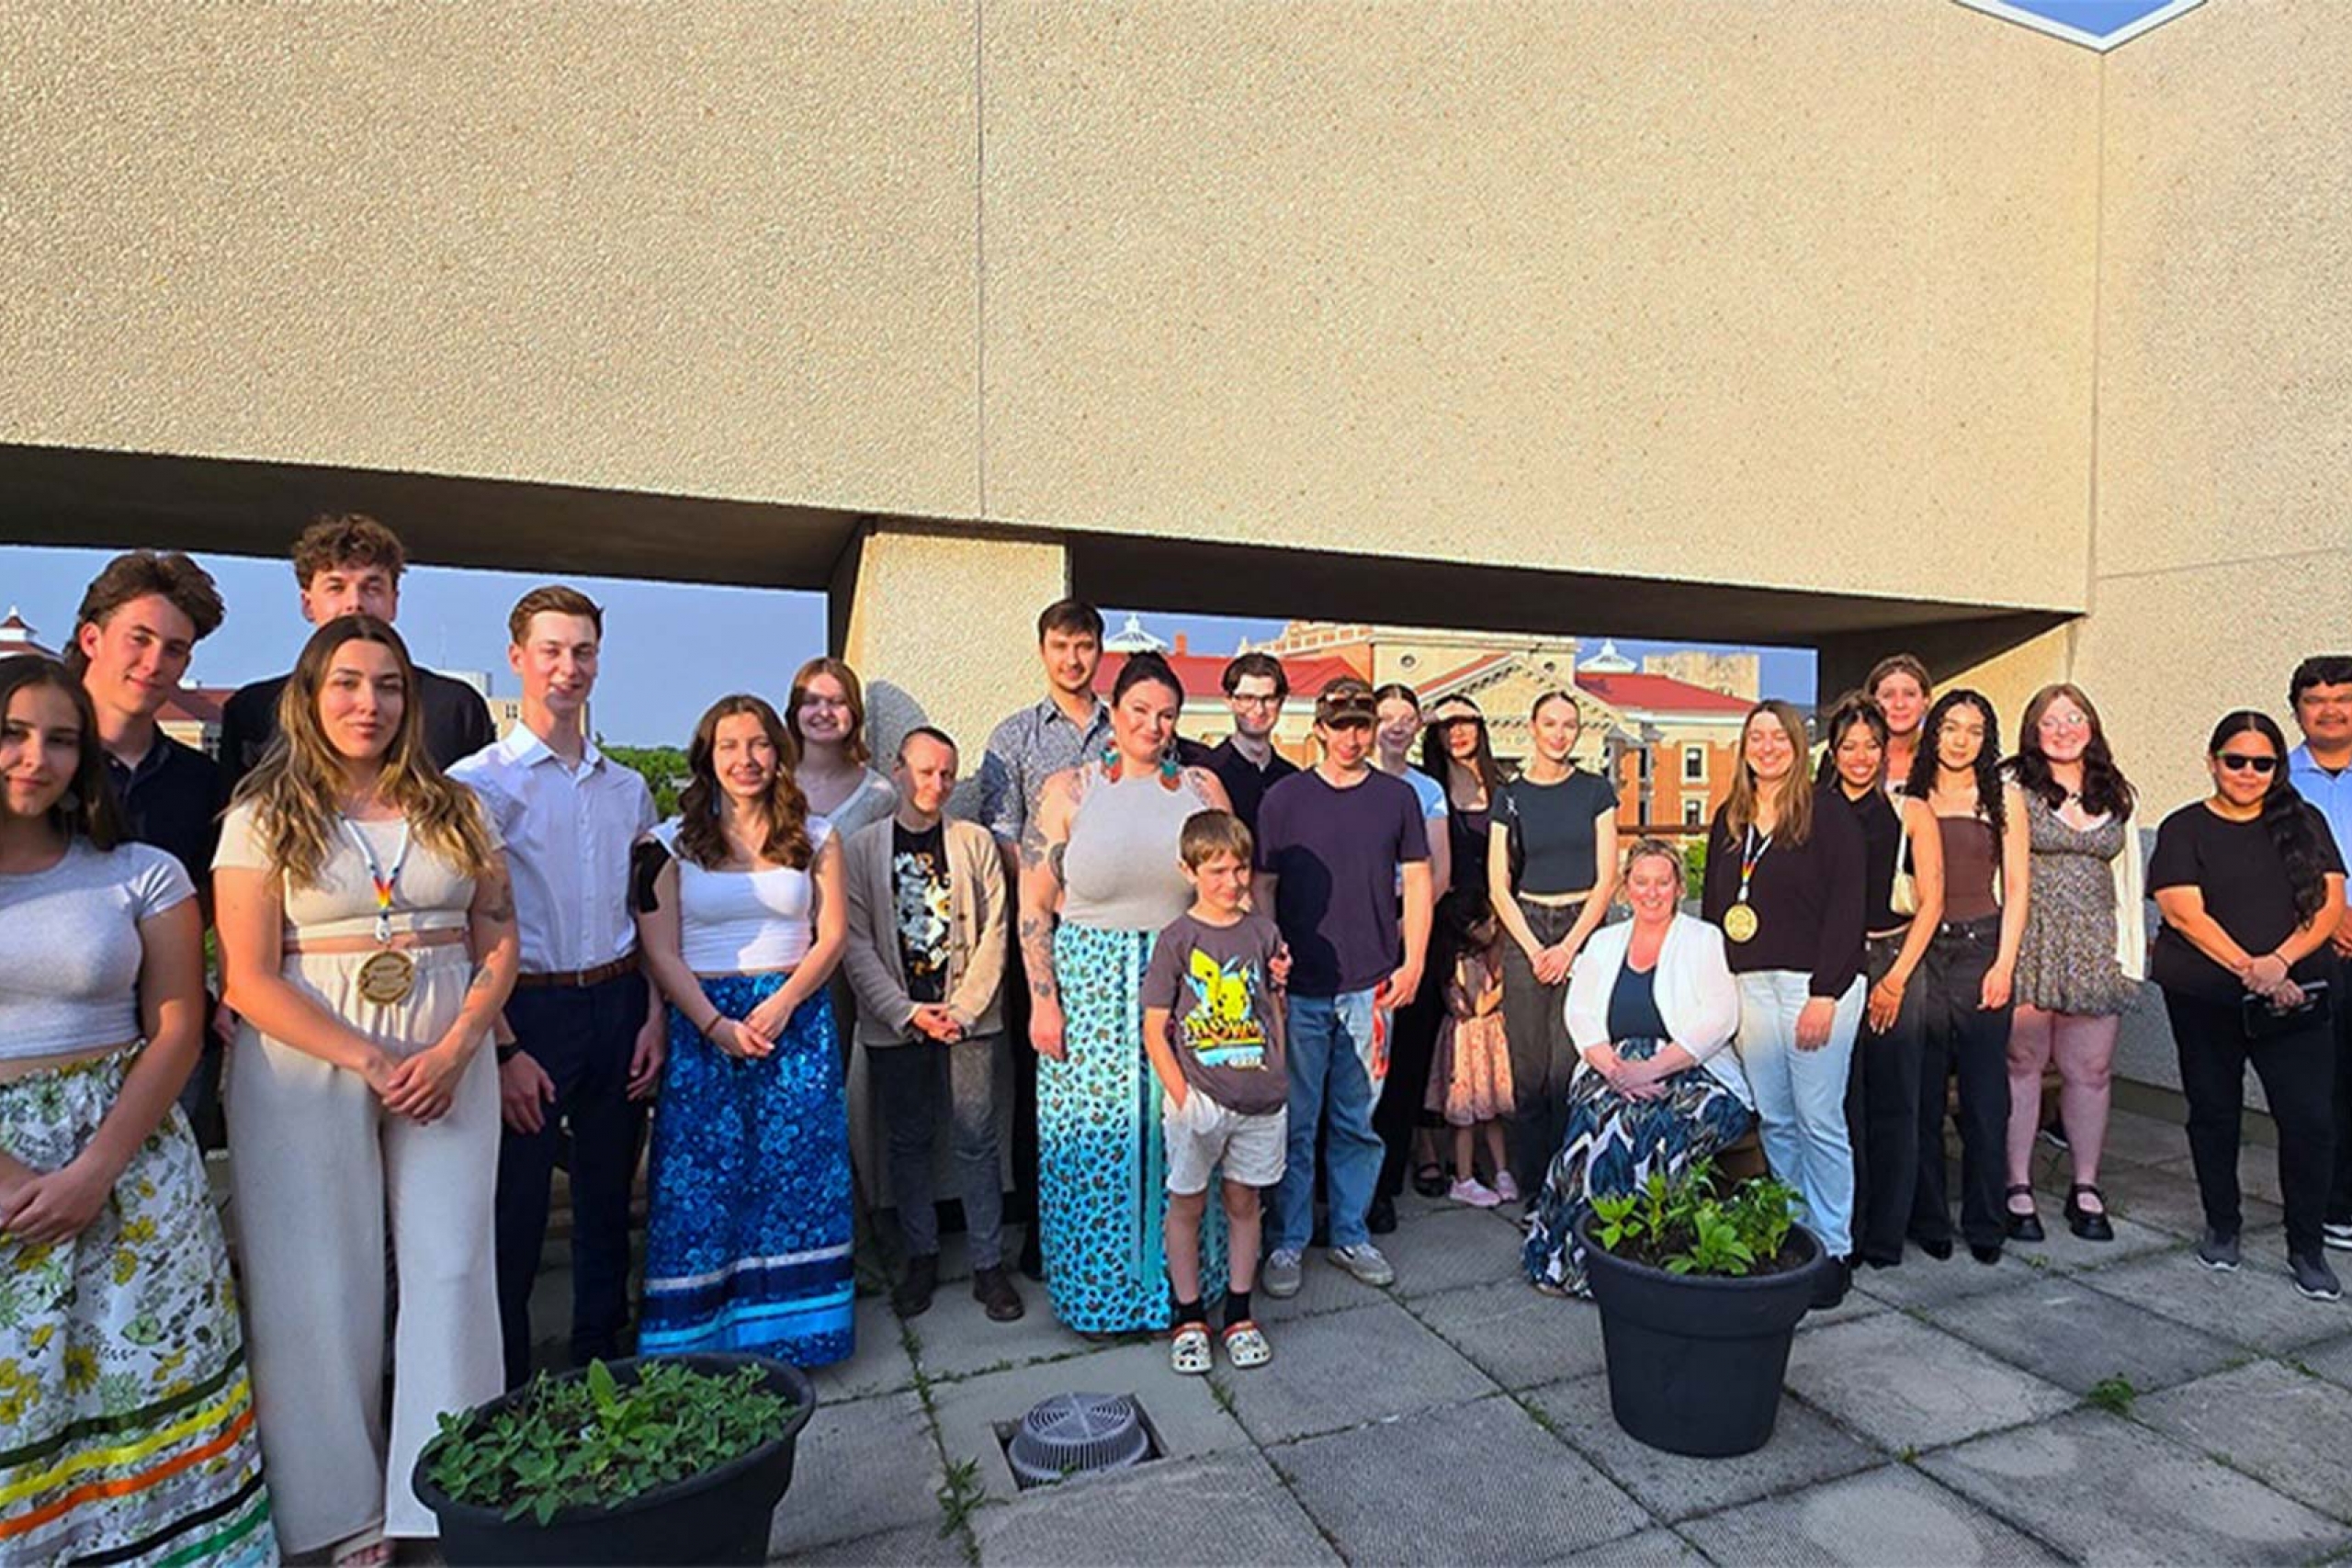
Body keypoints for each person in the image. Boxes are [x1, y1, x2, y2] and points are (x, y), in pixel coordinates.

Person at [215, 615, 515, 1560]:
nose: (368, 703)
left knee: (452, 1268)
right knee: (318, 1281)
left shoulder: (457, 808)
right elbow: (249, 976)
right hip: (308, 1057)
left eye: (387, 686)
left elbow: (499, 931)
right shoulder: (261, 816)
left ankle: (448, 1487)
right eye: (347, 683)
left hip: (446, 1050)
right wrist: (371, 1061)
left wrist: (464, 1039)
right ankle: (342, 1512)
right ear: (309, 697)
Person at [0, 659, 275, 1566]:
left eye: (61, 739)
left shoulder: (141, 872)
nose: (35, 757)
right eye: (13, 731)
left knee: (146, 1378)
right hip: (6, 1177)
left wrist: (95, 1168)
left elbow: (177, 1027)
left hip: (132, 1164)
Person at [447, 587, 662, 1388]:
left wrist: (651, 1017)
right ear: (517, 658)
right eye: (551, 650)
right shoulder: (475, 785)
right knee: (516, 1211)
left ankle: (603, 1364)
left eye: (582, 651)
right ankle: (505, 1382)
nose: (568, 667)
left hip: (614, 1000)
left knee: (610, 1199)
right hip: (525, 1010)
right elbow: (468, 921)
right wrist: (501, 1045)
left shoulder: (627, 788)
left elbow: (642, 911)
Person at [635, 694, 854, 1361]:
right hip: (706, 1025)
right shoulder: (663, 843)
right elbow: (659, 948)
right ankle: (700, 1338)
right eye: (729, 745)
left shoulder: (817, 836)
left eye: (758, 743)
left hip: (796, 1018)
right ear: (707, 755)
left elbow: (833, 932)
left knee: (799, 1178)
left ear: (777, 752)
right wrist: (713, 1024)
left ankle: (802, 1334)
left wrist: (784, 1002)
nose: (746, 759)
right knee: (706, 1182)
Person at [1020, 652, 1233, 1332]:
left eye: (1166, 713)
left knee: (1187, 1135)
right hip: (1091, 988)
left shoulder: (1201, 787)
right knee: (1099, 1145)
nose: (1153, 723)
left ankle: (1185, 1294)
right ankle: (1100, 1296)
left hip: (1187, 986)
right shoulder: (1069, 789)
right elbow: (1036, 902)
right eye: (1139, 709)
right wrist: (1043, 999)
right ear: (1114, 711)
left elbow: (1232, 883)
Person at [2150, 710, 2345, 1300]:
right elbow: (2184, 910)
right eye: (2237, 760)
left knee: (2309, 1121)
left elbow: (2330, 903)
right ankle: (2223, 1226)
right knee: (2214, 1113)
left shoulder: (2304, 821)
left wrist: (2280, 963)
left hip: (2297, 998)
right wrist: (2253, 970)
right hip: (2207, 999)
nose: (2249, 772)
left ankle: (2306, 1247)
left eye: (2264, 763)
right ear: (2213, 762)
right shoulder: (2184, 827)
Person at [1255, 677, 1431, 1298]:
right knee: (1297, 1120)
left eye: (1363, 724)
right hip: (1299, 986)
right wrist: (1266, 960)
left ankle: (1351, 1231)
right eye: (1341, 725)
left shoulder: (1397, 798)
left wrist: (1413, 963)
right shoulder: (1283, 800)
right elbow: (1264, 889)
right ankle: (1288, 1239)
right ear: (1319, 729)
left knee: (1357, 1119)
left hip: (1372, 985)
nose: (1353, 736)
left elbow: (1418, 880)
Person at [842, 726, 1022, 1323]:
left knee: (977, 1139)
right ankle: (920, 1254)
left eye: (947, 773)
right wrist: (905, 1010)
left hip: (971, 1020)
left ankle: (987, 1263)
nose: (936, 784)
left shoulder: (973, 842)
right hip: (897, 1022)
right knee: (909, 1141)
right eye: (924, 771)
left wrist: (966, 1009)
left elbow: (998, 930)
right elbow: (856, 941)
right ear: (899, 769)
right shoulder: (864, 848)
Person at [1526, 837, 1751, 1295]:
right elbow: (1581, 1013)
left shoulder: (1703, 938)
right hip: (1611, 1066)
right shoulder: (1605, 943)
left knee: (1652, 1127)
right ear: (1626, 888)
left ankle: (1646, 1266)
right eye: (1641, 882)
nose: (1652, 892)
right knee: (1594, 1128)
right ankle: (1567, 1263)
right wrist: (1615, 1070)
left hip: (1695, 1070)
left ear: (1678, 885)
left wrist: (1652, 1069)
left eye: (1663, 882)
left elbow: (1720, 1015)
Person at [66, 548, 233, 1145]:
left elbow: (217, 897)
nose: (154, 662)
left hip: (171, 1032)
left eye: (175, 649)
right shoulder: (31, 767)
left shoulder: (203, 780)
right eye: (138, 639)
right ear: (92, 637)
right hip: (52, 1033)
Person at [1701, 701, 1865, 1306]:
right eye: (1756, 736)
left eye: (1778, 736)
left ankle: (1835, 1246)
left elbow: (1849, 906)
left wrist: (1825, 991)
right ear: (1744, 746)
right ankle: (1796, 1233)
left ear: (1798, 745)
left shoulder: (1829, 813)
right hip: (1750, 985)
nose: (1767, 746)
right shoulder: (1731, 816)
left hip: (1814, 986)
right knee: (1775, 1116)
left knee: (1820, 1117)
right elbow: (1716, 908)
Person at [980, 599, 1114, 1280]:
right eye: (1061, 645)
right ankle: (1040, 1227)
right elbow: (1000, 832)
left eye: (1084, 645)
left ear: (1099, 649)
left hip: (1119, 937)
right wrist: (1051, 885)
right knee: (1042, 1081)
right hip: (1044, 933)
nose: (1073, 658)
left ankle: (1115, 1214)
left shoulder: (1129, 730)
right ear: (1042, 650)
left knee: (1115, 1085)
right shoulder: (1014, 738)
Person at [1142, 809, 1287, 1375]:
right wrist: (1182, 1096)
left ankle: (1240, 1312)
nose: (1232, 882)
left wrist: (1280, 1076)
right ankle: (1188, 1315)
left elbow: (1274, 1009)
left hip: (1260, 1097)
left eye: (1241, 869)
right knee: (1187, 1204)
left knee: (1245, 1202)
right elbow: (1156, 1029)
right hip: (1199, 1097)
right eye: (1218, 871)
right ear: (1190, 870)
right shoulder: (1177, 940)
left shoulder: (1263, 932)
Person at [2006, 683, 2143, 1245]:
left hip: (2095, 948)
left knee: (2090, 1071)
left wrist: (2129, 958)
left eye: (2075, 718)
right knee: (2023, 1066)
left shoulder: (2116, 792)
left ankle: (2085, 1186)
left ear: (2092, 725)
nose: (2063, 729)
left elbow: (2130, 882)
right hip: (2030, 944)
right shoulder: (2013, 787)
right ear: (2033, 731)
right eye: (2050, 720)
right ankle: (2016, 1185)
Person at [218, 513, 495, 782]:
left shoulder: (456, 709)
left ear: (394, 601)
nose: (355, 603)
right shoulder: (255, 712)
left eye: (372, 588)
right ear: (307, 603)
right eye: (336, 588)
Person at [1905, 690, 2030, 1266]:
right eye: (1950, 727)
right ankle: (1929, 1217)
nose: (1960, 740)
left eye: (1974, 730)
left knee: (1985, 1098)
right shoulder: (1911, 795)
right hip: (1922, 952)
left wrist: (2004, 964)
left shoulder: (2003, 799)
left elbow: (2020, 890)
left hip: (1982, 947)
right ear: (1934, 732)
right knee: (1924, 1094)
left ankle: (1986, 1218)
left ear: (1987, 739)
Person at [1818, 694, 1944, 1269]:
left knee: (1897, 1102)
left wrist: (1894, 980)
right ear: (1833, 751)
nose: (1861, 757)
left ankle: (1886, 1237)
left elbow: (1932, 902)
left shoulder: (1911, 810)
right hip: (1837, 963)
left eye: (1872, 745)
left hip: (1897, 959)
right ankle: (1848, 1224)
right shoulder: (1815, 809)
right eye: (1850, 746)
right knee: (1843, 1103)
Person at [1489, 690, 1620, 1199]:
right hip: (1526, 928)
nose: (1560, 734)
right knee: (1529, 1070)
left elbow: (1607, 877)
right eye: (1551, 723)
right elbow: (1498, 883)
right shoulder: (1511, 795)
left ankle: (1572, 1182)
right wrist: (1534, 945)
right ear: (1533, 728)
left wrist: (1568, 947)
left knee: (1570, 1065)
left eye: (1570, 725)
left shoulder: (1595, 791)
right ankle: (1533, 1187)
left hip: (1580, 928)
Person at [1391, 693, 1507, 1200]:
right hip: (1440, 923)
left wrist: (1499, 929)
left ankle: (1488, 1151)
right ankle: (1429, 1151)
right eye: (1446, 725)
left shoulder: (1504, 787)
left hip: (1496, 923)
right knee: (1432, 1037)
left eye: (1467, 723)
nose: (1458, 733)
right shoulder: (1429, 788)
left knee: (1485, 1036)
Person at [1368, 682, 1450, 1233]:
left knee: (1403, 1067)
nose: (1396, 725)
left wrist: (1404, 922)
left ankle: (1385, 1185)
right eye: (1386, 715)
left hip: (1410, 926)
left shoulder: (1427, 791)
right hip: (1356, 931)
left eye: (1406, 716)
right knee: (1356, 1067)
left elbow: (1438, 872)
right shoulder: (1357, 781)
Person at [2285, 656, 2352, 1252]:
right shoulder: (2273, 779)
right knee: (2326, 1081)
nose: (2330, 710)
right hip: (2315, 947)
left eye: (2342, 698)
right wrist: (2331, 917)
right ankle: (2334, 1203)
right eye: (2316, 699)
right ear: (2298, 709)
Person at [1424, 891, 1513, 1205]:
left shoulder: (1477, 959)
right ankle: (1463, 1178)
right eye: (1490, 922)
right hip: (1469, 1043)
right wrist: (1506, 987)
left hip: (1485, 1043)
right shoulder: (1462, 964)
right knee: (1466, 1118)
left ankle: (1502, 1171)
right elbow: (1477, 1006)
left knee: (1492, 1113)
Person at [789, 656, 897, 839]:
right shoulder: (772, 784)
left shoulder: (878, 796)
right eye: (811, 701)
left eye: (837, 702)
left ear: (854, 712)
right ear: (795, 712)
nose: (824, 712)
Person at [1195, 651, 1299, 834]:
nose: (1258, 709)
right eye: (1247, 698)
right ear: (1229, 701)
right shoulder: (1208, 774)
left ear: (1281, 702)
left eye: (1268, 699)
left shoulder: (1292, 779)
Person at [1869, 654, 1933, 796]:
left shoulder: (1941, 758)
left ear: (1925, 701)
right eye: (1888, 695)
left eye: (1909, 694)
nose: (1899, 704)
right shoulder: (1850, 758)